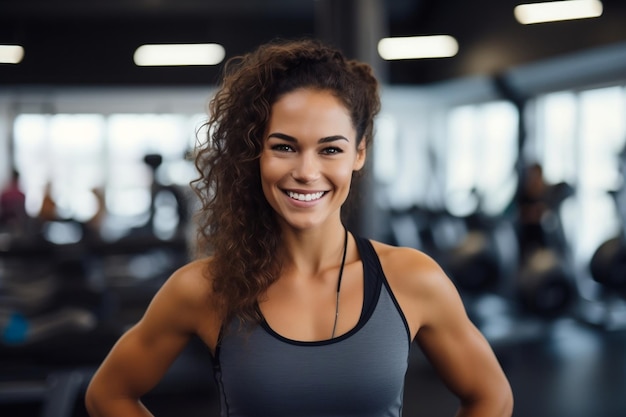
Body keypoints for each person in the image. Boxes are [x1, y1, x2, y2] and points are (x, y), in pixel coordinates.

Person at [85, 38, 513, 417]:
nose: (307, 172)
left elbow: (491, 397)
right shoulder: (204, 288)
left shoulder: (413, 280)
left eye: (330, 149)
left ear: (359, 154)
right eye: (284, 147)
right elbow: (109, 395)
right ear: (255, 154)